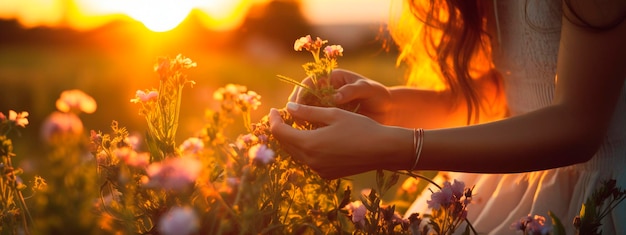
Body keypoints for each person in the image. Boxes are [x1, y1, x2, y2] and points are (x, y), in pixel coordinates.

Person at [269, 0, 626, 234]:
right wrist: (387, 104)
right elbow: (503, 94)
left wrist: (398, 147)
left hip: (600, 194)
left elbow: (578, 127)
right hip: (511, 181)